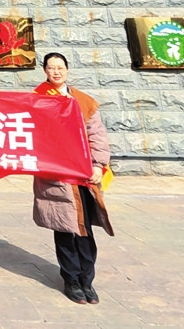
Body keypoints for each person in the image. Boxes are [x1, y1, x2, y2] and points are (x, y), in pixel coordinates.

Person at [31, 52, 113, 305]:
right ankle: (71, 280)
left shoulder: (84, 101)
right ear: (45, 71)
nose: (56, 72)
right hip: (56, 175)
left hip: (83, 175)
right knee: (64, 227)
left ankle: (87, 280)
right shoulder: (37, 99)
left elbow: (97, 136)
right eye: (51, 67)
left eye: (60, 67)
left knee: (84, 228)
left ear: (67, 70)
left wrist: (98, 165)